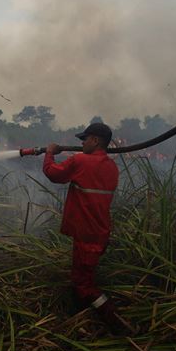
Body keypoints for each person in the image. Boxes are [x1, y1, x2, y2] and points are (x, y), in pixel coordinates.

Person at [43, 122, 125, 334]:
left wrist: (50, 153)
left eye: (84, 139)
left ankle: (115, 321)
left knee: (83, 284)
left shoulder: (81, 160)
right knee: (83, 277)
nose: (82, 143)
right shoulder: (111, 167)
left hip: (87, 235)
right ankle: (80, 316)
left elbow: (53, 174)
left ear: (95, 140)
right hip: (99, 232)